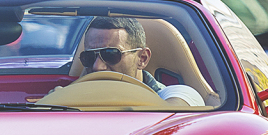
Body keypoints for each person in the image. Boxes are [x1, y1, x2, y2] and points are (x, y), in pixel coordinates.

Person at [75, 16, 204, 107]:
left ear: (142, 58)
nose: (98, 67)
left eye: (110, 55)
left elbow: (171, 115)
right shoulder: (71, 96)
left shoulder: (175, 95)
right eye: (90, 57)